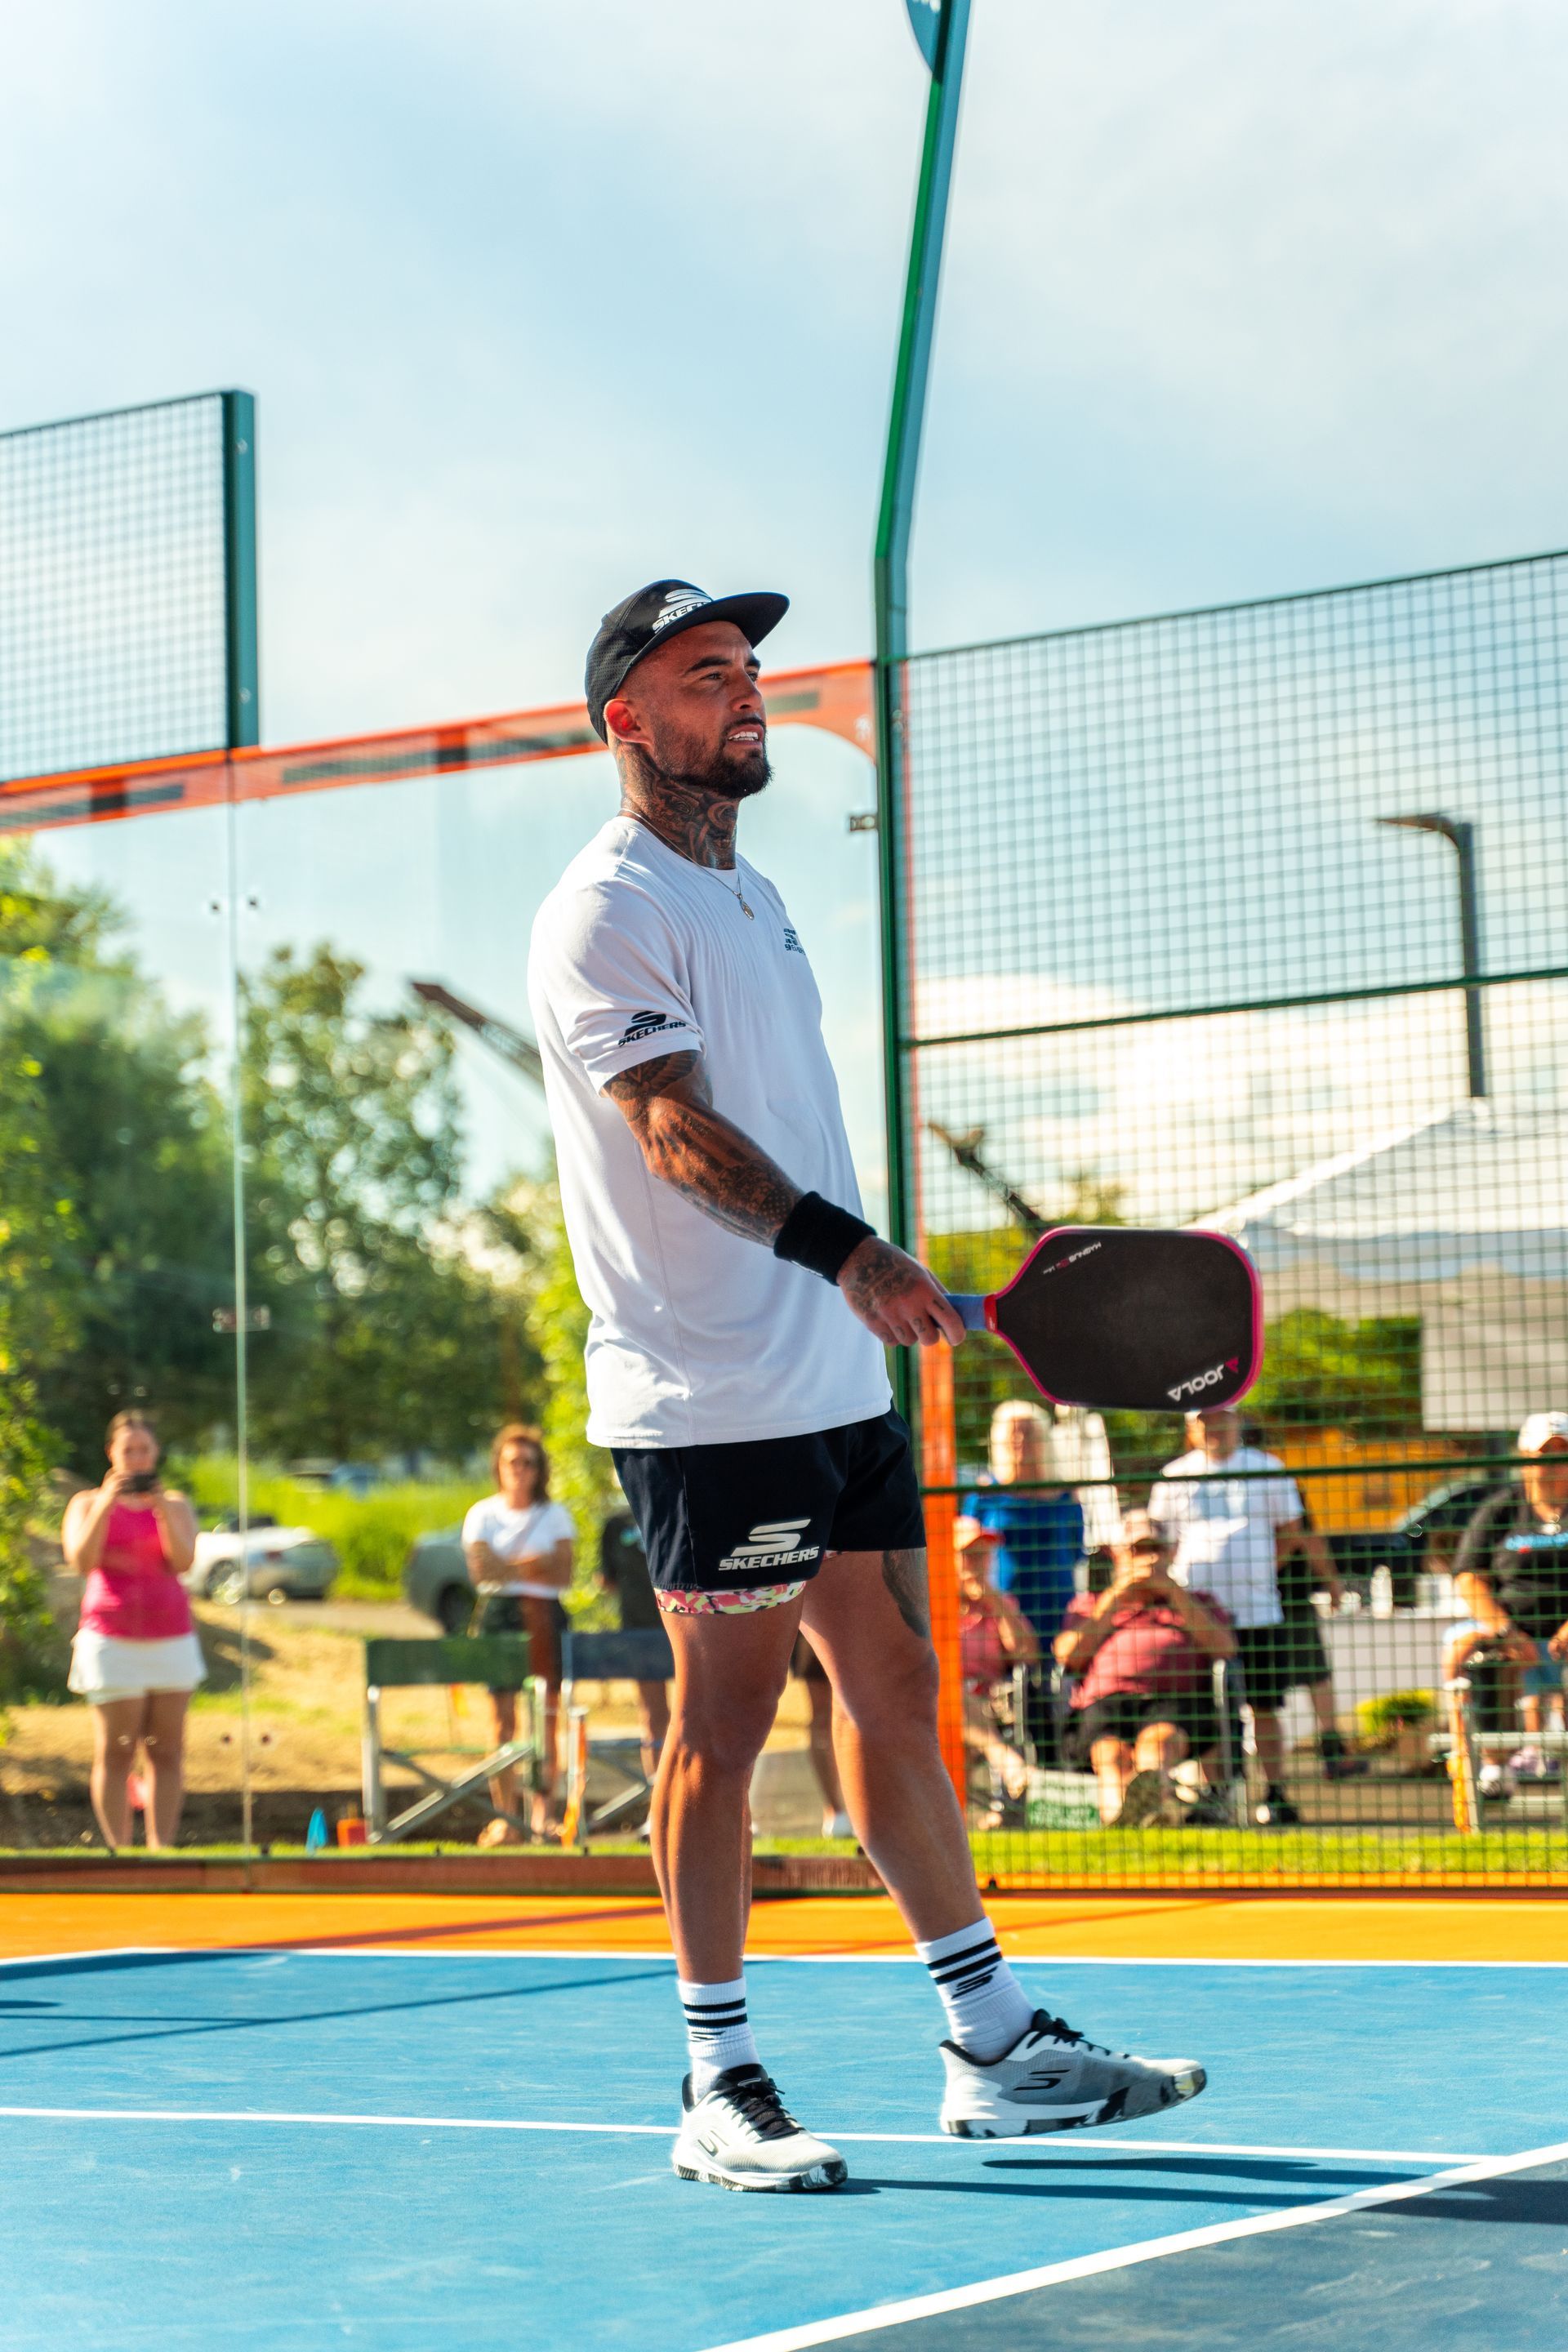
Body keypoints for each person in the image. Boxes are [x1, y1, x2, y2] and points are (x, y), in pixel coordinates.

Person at [527, 577, 1205, 2192]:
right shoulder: (605, 907)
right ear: (629, 717)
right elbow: (674, 1134)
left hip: (834, 1385)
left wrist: (857, 1285)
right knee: (729, 1726)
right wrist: (846, 1251)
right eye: (707, 676)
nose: (745, 695)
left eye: (752, 670)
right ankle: (717, 2077)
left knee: (899, 1692)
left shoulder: (754, 899)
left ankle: (991, 2048)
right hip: (712, 1399)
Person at [1148, 1404, 1339, 1827]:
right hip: (1198, 1616)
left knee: (1264, 1706)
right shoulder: (1174, 1476)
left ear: (1238, 1421)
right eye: (1206, 1420)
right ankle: (1215, 1795)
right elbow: (1159, 1542)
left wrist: (1258, 1571)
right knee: (1202, 1707)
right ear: (1191, 1429)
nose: (1215, 1427)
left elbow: (1292, 1533)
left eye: (1223, 1418)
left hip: (1258, 1611)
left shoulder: (1268, 1468)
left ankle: (1274, 1792)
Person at [61, 1410, 203, 1850]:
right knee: (116, 1751)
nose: (137, 1459)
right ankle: (119, 1851)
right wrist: (107, 1502)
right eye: (128, 1451)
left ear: (156, 1452)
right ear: (112, 1454)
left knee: (166, 1751)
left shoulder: (176, 1504)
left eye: (144, 1450)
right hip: (111, 1638)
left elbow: (183, 1562)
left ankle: (162, 1849)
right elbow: (81, 1560)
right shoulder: (85, 1502)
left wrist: (159, 1508)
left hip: (170, 1638)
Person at [1054, 1512, 1235, 1827]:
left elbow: (1225, 1649)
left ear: (1170, 1554)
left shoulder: (1198, 1601)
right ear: (1116, 1556)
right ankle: (1130, 1820)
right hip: (1104, 1702)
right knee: (1110, 1755)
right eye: (1136, 1551)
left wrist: (1175, 1594)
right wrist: (1114, 1599)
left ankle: (1144, 1810)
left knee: (1158, 1742)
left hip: (1175, 1702)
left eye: (1155, 1549)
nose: (1147, 1560)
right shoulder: (1091, 1604)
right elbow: (1068, 1657)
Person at [461, 1425, 575, 1842]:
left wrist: (509, 1566)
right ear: (499, 1466)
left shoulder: (555, 1514)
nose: (520, 1471)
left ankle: (542, 1816)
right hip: (498, 1615)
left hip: (545, 1613)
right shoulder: (483, 1514)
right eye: (513, 1462)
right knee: (501, 1722)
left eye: (529, 1463)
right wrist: (536, 1562)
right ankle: (505, 1818)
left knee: (546, 1718)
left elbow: (563, 1570)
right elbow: (482, 1570)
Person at [1447, 1411, 1568, 1784]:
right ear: (1524, 1459)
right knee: (1463, 1647)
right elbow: (1468, 1577)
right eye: (1544, 1455)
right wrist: (1505, 1630)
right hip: (1514, 1631)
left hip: (1564, 1633)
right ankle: (1486, 1767)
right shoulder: (1501, 1508)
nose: (1554, 1465)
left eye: (1562, 1454)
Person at [955, 1401, 1085, 1646]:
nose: (1021, 1440)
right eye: (1013, 1433)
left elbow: (1077, 1552)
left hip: (1059, 1606)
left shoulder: (1066, 1496)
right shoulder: (984, 1495)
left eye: (1029, 1432)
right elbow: (964, 1553)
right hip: (1004, 1608)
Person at [955, 1546, 1039, 1823]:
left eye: (982, 1555)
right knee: (952, 1700)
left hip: (993, 1702)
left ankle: (967, 1819)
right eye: (969, 1555)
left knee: (963, 1729)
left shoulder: (1000, 1604)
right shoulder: (928, 1603)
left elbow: (1026, 1655)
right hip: (939, 1703)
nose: (977, 1563)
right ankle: (1004, 1760)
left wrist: (995, 1602)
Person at [598, 1507, 671, 1789]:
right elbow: (608, 1579)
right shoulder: (616, 1523)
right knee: (654, 1714)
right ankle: (658, 1796)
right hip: (638, 1630)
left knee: (696, 1713)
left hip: (687, 1623)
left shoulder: (674, 1505)